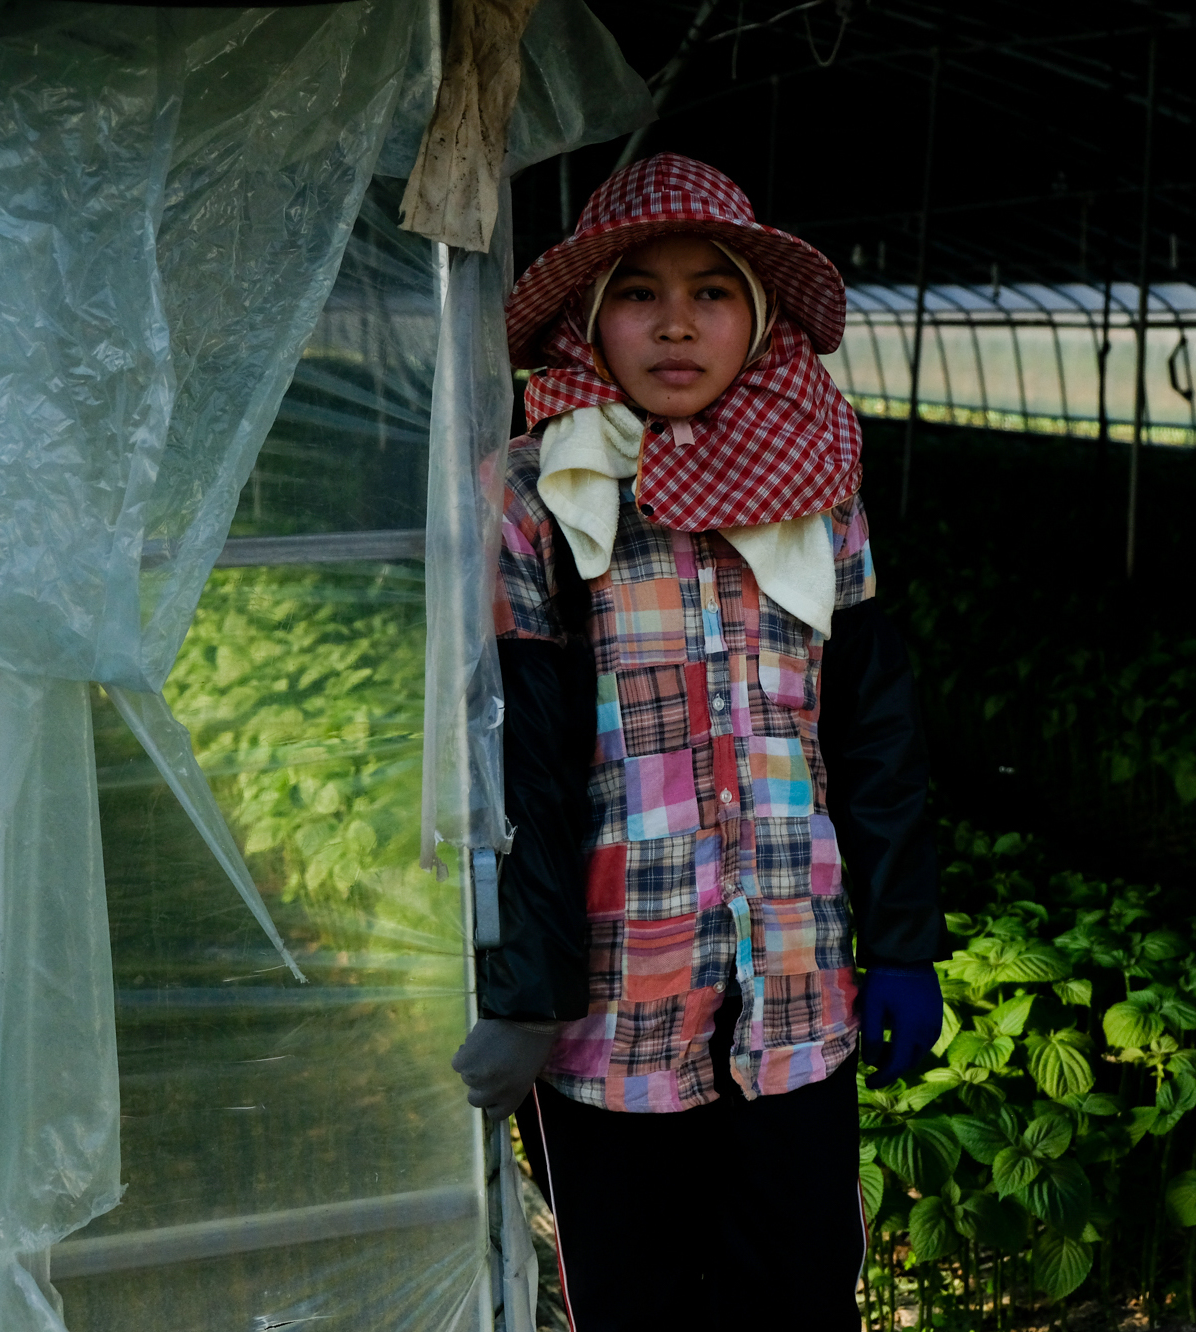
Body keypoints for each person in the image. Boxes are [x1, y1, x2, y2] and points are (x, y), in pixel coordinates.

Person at [452, 153, 943, 1331]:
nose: (676, 323)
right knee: (637, 1303)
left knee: (801, 1293)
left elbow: (876, 735)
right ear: (588, 316)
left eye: (712, 291)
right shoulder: (537, 493)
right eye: (640, 293)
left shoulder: (820, 492)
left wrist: (905, 943)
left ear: (758, 317)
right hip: (612, 1008)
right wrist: (524, 986)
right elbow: (512, 761)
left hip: (795, 986)